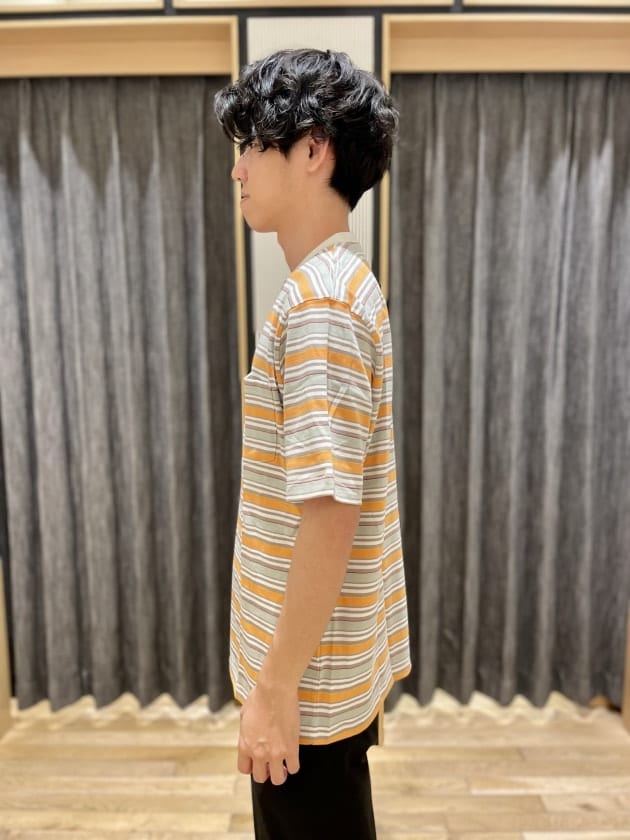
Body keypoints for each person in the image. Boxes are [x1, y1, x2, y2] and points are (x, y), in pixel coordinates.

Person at [214, 48, 411, 840]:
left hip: (308, 683)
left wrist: (273, 689)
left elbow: (329, 515)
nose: (237, 170)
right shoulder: (337, 283)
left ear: (312, 149)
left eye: (251, 146)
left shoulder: (322, 304)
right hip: (322, 670)